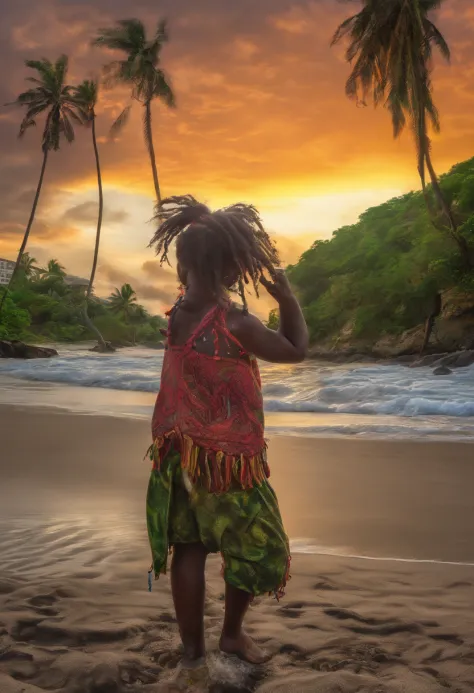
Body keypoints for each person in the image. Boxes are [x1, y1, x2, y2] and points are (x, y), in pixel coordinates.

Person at [146, 195, 308, 670]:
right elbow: (296, 350)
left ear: (183, 265)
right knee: (255, 544)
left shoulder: (176, 316)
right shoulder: (237, 323)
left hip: (178, 454)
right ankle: (232, 636)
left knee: (189, 548)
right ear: (236, 270)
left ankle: (193, 653)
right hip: (227, 461)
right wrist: (288, 300)